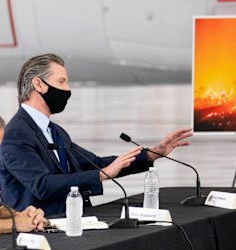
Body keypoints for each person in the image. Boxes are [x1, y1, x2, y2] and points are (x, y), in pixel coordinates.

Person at [0, 53, 193, 216]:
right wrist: (102, 175)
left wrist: (152, 154)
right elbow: (41, 185)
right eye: (61, 81)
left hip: (70, 224)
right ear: (38, 85)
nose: (67, 89)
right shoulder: (17, 133)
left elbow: (96, 163)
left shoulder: (55, 131)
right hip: (42, 232)